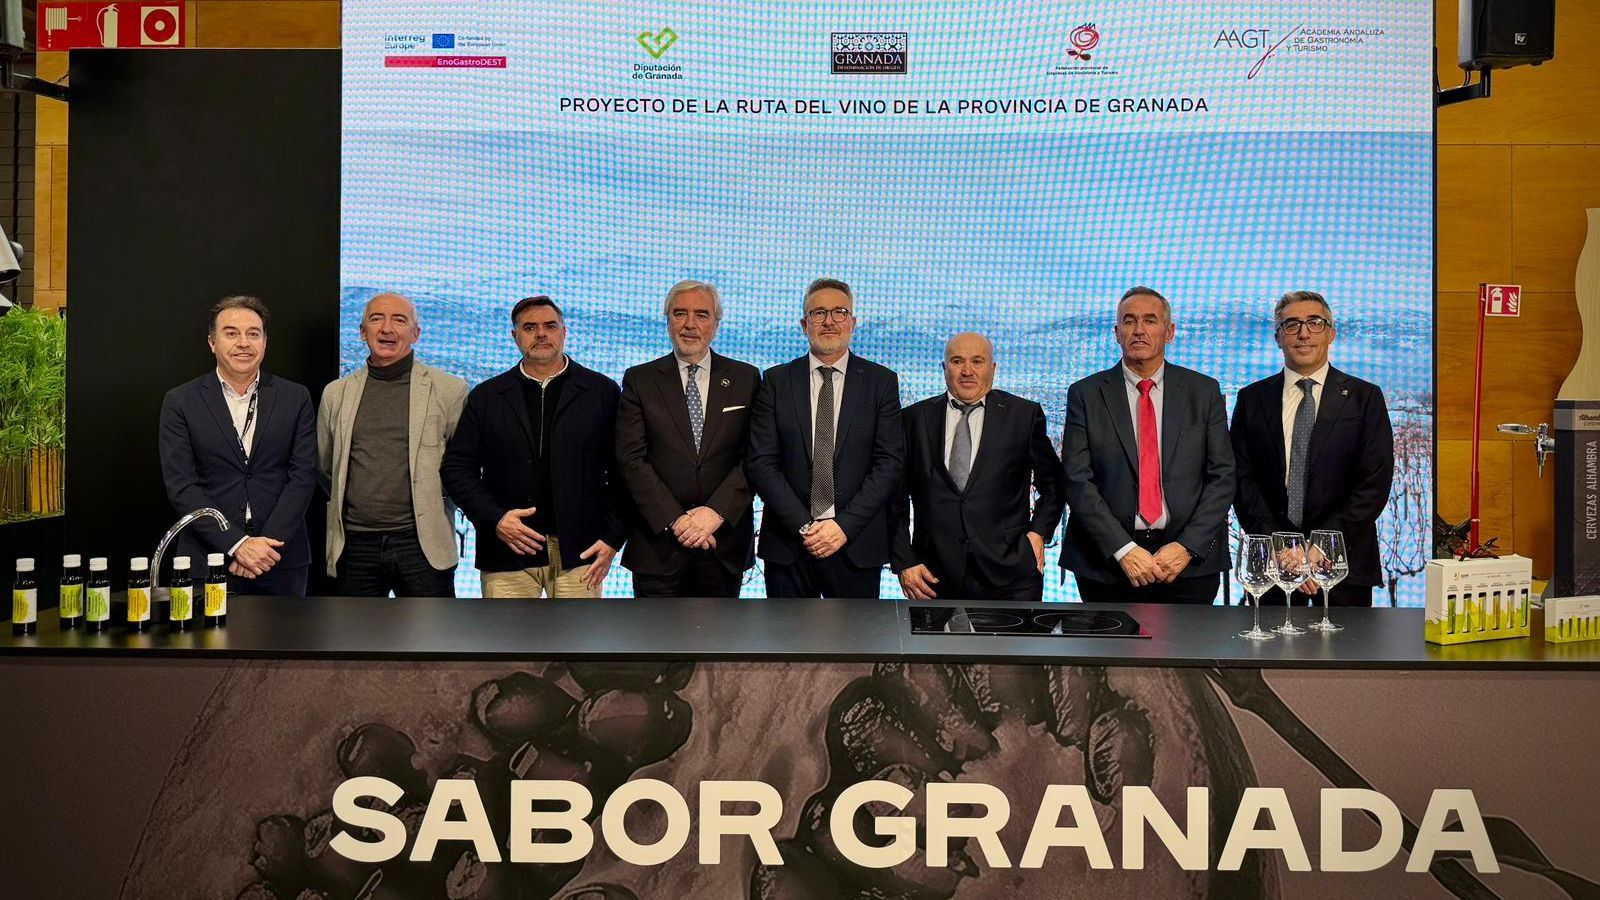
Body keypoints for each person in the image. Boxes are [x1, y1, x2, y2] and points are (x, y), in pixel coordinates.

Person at [1059, 286, 1235, 604]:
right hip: (1106, 565)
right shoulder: (1085, 394)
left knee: (1186, 653)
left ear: (1169, 332)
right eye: (1129, 321)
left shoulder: (1204, 391)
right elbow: (1077, 479)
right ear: (1116, 333)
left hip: (1189, 565)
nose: (1139, 330)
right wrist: (1123, 549)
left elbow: (1223, 476)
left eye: (1150, 321)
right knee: (1110, 655)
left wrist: (1187, 546)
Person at [440, 295, 624, 598]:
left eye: (550, 326)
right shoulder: (487, 397)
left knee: (575, 645)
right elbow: (457, 469)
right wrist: (495, 518)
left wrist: (614, 537)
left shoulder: (601, 392)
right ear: (515, 336)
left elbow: (624, 471)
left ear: (564, 332)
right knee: (506, 645)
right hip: (506, 548)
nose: (541, 334)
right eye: (530, 327)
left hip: (580, 551)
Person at [1231, 290, 1394, 606]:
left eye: (1314, 323)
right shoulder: (1251, 399)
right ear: (1278, 337)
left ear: (1331, 333)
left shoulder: (1364, 398)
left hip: (1342, 565)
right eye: (1291, 325)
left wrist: (1323, 545)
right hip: (1273, 566)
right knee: (1269, 653)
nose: (1303, 333)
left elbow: (1374, 481)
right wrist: (1283, 547)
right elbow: (1242, 480)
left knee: (1343, 654)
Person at [746, 278, 904, 598]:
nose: (829, 321)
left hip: (855, 545)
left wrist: (843, 526)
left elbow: (889, 463)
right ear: (804, 324)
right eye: (818, 313)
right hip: (789, 547)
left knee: (855, 648)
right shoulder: (775, 381)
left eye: (839, 312)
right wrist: (806, 527)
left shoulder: (881, 382)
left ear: (853, 322)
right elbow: (762, 462)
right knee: (787, 647)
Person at [158, 295, 317, 596]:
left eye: (253, 334)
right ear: (212, 342)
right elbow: (182, 485)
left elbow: (303, 477)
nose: (243, 343)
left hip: (280, 560)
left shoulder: (295, 398)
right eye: (231, 333)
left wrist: (262, 548)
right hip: (206, 560)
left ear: (265, 342)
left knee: (282, 645)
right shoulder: (180, 402)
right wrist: (237, 543)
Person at [893, 332, 1065, 602]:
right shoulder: (913, 419)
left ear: (993, 368)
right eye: (957, 361)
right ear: (944, 368)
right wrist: (904, 560)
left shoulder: (1023, 415)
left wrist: (1038, 533)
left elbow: (1054, 485)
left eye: (978, 361)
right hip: (932, 578)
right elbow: (894, 498)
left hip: (1012, 574)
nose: (967, 371)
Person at [316, 292, 468, 597]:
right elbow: (325, 466)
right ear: (362, 332)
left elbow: (461, 468)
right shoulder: (336, 394)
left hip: (422, 546)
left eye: (399, 320)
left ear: (416, 334)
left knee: (431, 643)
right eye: (376, 319)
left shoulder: (450, 391)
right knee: (353, 643)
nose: (387, 328)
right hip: (355, 545)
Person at [615, 280, 760, 597]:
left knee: (719, 646)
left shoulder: (746, 378)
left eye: (702, 314)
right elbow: (631, 460)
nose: (690, 324)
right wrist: (677, 521)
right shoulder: (640, 380)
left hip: (723, 545)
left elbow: (755, 457)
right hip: (658, 548)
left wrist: (713, 514)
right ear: (667, 320)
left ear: (716, 323)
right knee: (656, 646)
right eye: (679, 314)